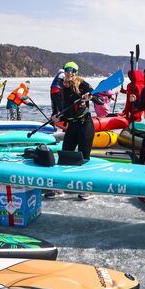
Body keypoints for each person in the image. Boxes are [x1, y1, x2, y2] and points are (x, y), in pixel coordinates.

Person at [49, 61, 103, 200]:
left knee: (84, 157)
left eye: (73, 70)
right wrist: (56, 116)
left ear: (76, 72)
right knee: (65, 156)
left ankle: (87, 189)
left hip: (85, 123)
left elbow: (99, 99)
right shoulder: (60, 87)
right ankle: (59, 188)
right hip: (72, 125)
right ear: (64, 71)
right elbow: (58, 108)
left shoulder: (81, 84)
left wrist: (90, 97)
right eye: (68, 70)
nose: (70, 72)